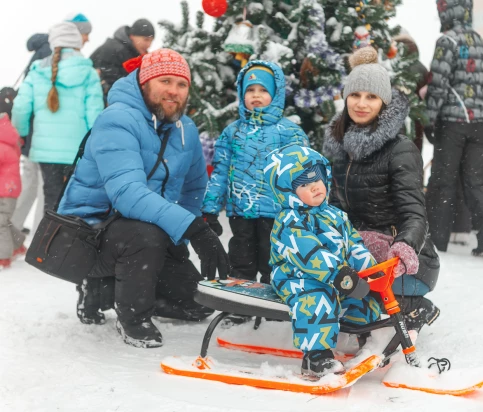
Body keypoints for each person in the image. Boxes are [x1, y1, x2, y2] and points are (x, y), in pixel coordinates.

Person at [57, 48, 230, 348]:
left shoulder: (185, 129)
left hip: (142, 230)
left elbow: (193, 189)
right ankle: (131, 314)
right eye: (165, 81)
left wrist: (182, 239)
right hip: (87, 236)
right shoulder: (117, 120)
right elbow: (128, 194)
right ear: (144, 83)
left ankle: (115, 288)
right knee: (145, 233)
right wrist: (192, 227)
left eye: (181, 84)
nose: (173, 91)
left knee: (197, 303)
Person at [322, 47, 440, 344]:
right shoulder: (339, 147)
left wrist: (403, 248)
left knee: (357, 292)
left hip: (402, 261)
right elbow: (335, 208)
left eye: (371, 97)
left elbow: (415, 215)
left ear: (383, 102)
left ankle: (414, 308)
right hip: (359, 252)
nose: (361, 104)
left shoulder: (400, 150)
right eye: (355, 95)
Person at [265, 144, 380, 378]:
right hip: (296, 278)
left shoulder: (334, 214)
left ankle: (363, 338)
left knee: (365, 296)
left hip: (336, 276)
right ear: (288, 192)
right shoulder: (290, 220)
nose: (315, 188)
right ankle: (316, 357)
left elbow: (354, 244)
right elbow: (310, 255)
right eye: (304, 185)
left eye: (317, 180)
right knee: (316, 300)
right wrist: (340, 276)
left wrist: (370, 269)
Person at [202, 61, 309, 285]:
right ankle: (240, 302)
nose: (256, 95)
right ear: (242, 94)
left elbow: (304, 174)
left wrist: (304, 209)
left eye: (263, 90)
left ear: (276, 94)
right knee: (241, 259)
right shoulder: (232, 132)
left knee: (274, 259)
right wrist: (210, 208)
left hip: (278, 213)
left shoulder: (290, 133)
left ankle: (275, 298)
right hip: (242, 211)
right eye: (250, 90)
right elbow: (220, 172)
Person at [424, 0, 483, 256]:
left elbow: (438, 85)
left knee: (442, 182)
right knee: (475, 181)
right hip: (480, 123)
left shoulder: (447, 41)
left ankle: (435, 242)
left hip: (453, 122)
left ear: (445, 12)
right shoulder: (479, 39)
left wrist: (429, 118)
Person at [11, 22, 104, 214]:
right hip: (77, 152)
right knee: (71, 203)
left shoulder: (37, 70)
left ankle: (46, 240)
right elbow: (94, 115)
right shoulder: (88, 72)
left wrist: (21, 134)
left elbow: (20, 107)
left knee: (51, 199)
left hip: (45, 152)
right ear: (77, 42)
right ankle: (66, 240)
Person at [90, 19, 155, 102]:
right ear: (132, 36)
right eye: (146, 39)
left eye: (151, 41)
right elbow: (110, 82)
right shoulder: (114, 49)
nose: (149, 45)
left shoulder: (133, 53)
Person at [0, 97, 25, 270]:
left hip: (5, 190)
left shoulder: (2, 145)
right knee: (4, 221)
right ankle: (18, 245)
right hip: (9, 189)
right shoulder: (8, 140)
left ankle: (3, 256)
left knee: (0, 222)